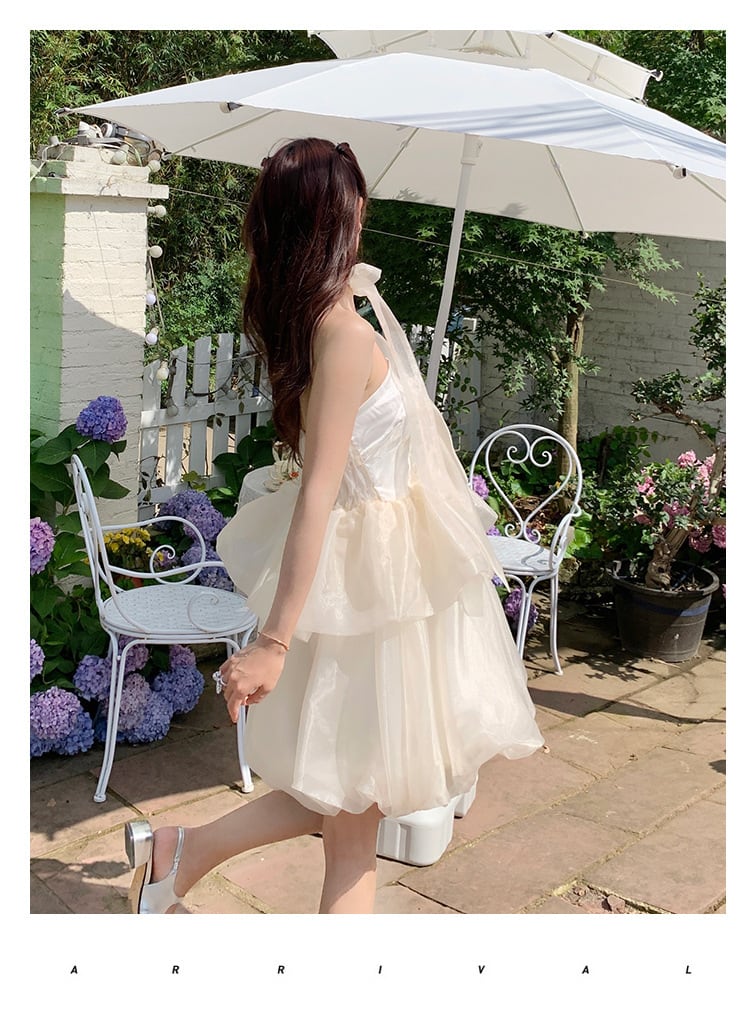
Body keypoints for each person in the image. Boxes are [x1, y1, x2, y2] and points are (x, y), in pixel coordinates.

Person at [124, 137, 544, 916]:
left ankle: (181, 849)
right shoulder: (344, 335)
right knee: (354, 820)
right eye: (353, 207)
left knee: (352, 801)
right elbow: (319, 494)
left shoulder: (329, 323)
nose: (362, 219)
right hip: (372, 601)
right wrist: (273, 643)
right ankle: (185, 852)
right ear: (331, 223)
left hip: (377, 589)